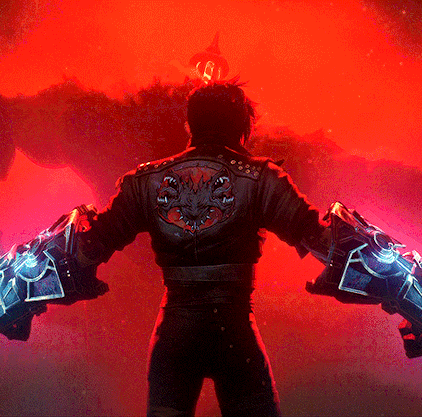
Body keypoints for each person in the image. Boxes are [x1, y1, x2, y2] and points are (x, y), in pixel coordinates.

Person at [77, 80, 327, 416]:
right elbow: (323, 242)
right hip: (234, 332)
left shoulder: (145, 180)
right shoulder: (261, 178)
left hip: (175, 332)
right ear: (243, 126)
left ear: (189, 124)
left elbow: (89, 246)